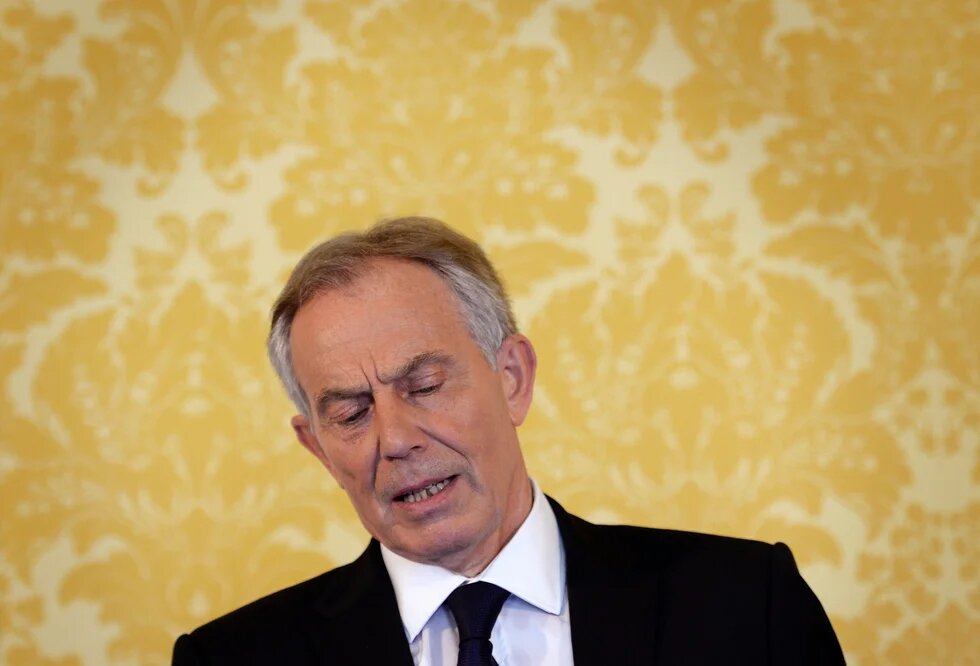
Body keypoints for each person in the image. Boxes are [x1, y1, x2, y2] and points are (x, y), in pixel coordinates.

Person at [172, 217, 845, 665]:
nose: (395, 439)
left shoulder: (744, 606)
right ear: (318, 449)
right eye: (351, 414)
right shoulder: (230, 660)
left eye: (425, 385)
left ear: (513, 378)